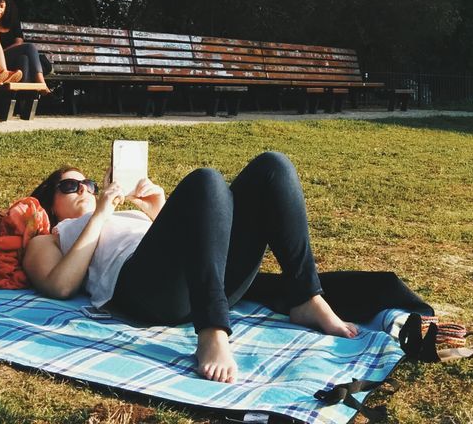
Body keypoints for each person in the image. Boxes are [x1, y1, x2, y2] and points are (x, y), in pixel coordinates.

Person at [24, 151, 359, 384]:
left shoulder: (123, 213)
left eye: (90, 184)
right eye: (70, 186)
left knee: (273, 167)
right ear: (49, 203)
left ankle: (306, 298)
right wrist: (99, 212)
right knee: (207, 181)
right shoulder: (51, 236)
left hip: (201, 280)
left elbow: (200, 237)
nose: (84, 188)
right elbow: (61, 286)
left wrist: (158, 210)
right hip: (145, 292)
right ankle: (212, 329)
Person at [0, 0, 48, 91]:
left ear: (7, 8)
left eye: (1, 6)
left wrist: (4, 51)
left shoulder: (13, 24)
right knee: (29, 47)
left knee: (24, 58)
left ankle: (22, 96)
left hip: (11, 58)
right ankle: (41, 83)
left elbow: (19, 43)